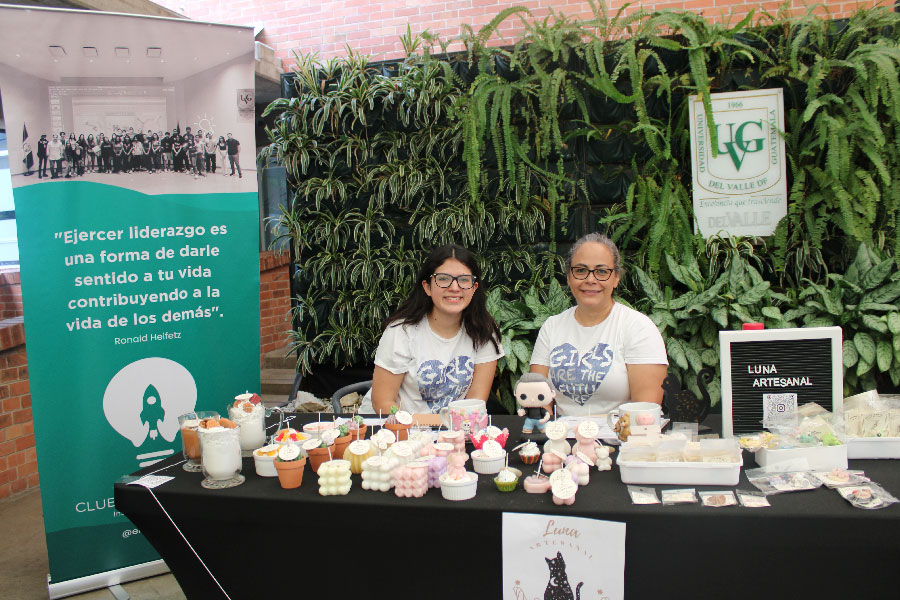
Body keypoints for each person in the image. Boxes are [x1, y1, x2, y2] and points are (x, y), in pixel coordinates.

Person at [529, 232, 668, 415]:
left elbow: (645, 413)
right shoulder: (552, 327)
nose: (590, 279)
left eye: (602, 271)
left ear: (616, 278)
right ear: (569, 277)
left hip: (621, 438)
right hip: (562, 439)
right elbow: (538, 401)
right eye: (580, 270)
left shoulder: (638, 328)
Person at [364, 244, 504, 415]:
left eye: (464, 280)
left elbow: (475, 402)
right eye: (443, 278)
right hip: (399, 428)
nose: (454, 287)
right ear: (427, 287)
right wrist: (420, 428)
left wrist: (450, 432)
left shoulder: (484, 330)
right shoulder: (401, 332)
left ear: (474, 288)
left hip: (453, 430)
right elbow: (383, 402)